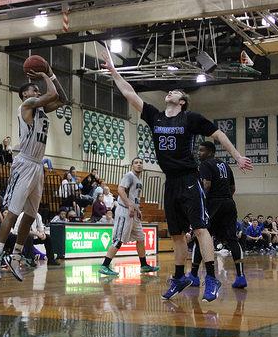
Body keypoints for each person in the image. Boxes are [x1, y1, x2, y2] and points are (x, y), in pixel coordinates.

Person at [101, 51, 253, 302]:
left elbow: (218, 135)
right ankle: (180, 277)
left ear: (182, 101)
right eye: (169, 92)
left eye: (175, 92)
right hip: (170, 182)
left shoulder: (190, 118)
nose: (169, 93)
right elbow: (130, 93)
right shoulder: (155, 116)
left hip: (189, 179)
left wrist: (236, 156)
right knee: (176, 236)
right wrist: (115, 73)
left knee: (202, 229)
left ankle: (212, 278)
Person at [0, 64, 68, 282]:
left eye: (33, 90)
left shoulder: (42, 109)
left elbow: (62, 98)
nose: (32, 93)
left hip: (37, 165)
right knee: (13, 213)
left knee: (31, 215)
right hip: (23, 162)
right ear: (25, 96)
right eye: (29, 91)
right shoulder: (27, 105)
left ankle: (15, 256)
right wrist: (44, 73)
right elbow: (52, 93)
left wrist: (52, 74)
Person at [189, 141, 246, 289]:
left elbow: (206, 185)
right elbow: (233, 188)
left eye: (202, 151)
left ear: (210, 152)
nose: (199, 153)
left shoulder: (205, 164)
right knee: (233, 239)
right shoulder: (225, 166)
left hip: (213, 204)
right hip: (229, 203)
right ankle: (240, 277)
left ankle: (194, 276)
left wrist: (201, 202)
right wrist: (225, 197)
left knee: (200, 237)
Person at [99, 158, 159, 276]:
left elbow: (134, 197)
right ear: (132, 165)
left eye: (140, 163)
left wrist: (137, 209)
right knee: (118, 239)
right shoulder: (129, 175)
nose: (139, 164)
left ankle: (144, 265)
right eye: (136, 163)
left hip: (133, 213)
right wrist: (129, 205)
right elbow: (120, 190)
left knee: (141, 238)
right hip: (124, 211)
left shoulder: (139, 180)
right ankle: (104, 265)